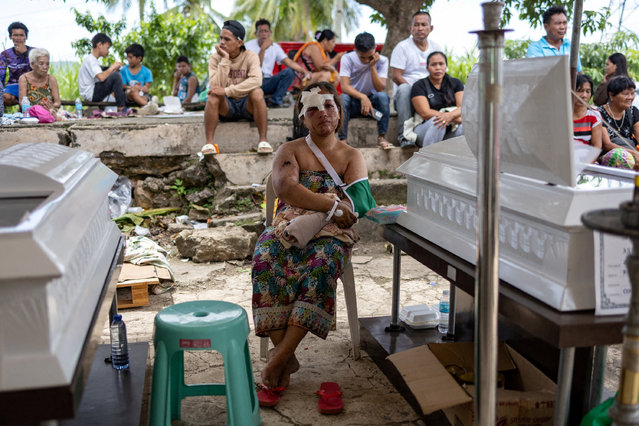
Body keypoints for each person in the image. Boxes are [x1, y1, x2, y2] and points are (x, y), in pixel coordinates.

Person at [251, 82, 375, 405]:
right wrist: (332, 204)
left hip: (333, 234)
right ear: (302, 117)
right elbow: (285, 189)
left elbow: (360, 201)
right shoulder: (289, 151)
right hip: (288, 228)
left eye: (329, 106)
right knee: (265, 256)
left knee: (322, 266)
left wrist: (335, 211)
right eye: (314, 108)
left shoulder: (351, 156)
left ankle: (280, 359)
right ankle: (286, 356)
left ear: (340, 114)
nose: (323, 113)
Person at [204, 20, 270, 155]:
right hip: (226, 106)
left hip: (247, 105)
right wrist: (225, 59)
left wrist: (228, 90)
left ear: (239, 43)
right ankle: (209, 143)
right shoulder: (215, 58)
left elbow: (257, 80)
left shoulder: (250, 56)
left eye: (227, 39)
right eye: (221, 38)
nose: (222, 42)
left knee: (257, 92)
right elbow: (216, 86)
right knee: (213, 96)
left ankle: (263, 140)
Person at [390, 11, 442, 147]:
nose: (419, 28)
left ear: (431, 28)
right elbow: (396, 76)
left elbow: (440, 72)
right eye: (416, 25)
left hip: (430, 94)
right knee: (404, 88)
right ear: (410, 28)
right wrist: (417, 92)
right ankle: (404, 137)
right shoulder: (402, 47)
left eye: (424, 25)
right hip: (407, 96)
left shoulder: (436, 47)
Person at [337, 32, 391, 149]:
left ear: (375, 48)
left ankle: (381, 137)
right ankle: (343, 140)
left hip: (372, 109)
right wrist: (363, 97)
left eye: (369, 56)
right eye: (363, 57)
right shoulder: (347, 58)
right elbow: (344, 87)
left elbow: (380, 88)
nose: (366, 60)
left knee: (382, 97)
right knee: (343, 98)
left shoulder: (382, 61)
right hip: (353, 105)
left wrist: (372, 67)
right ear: (355, 50)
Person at [245, 19, 311, 108]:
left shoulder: (275, 47)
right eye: (261, 31)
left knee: (289, 72)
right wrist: (263, 48)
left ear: (270, 33)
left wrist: (304, 71)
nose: (263, 34)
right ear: (255, 33)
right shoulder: (248, 46)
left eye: (266, 31)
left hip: (268, 82)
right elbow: (257, 66)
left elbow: (289, 62)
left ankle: (274, 101)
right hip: (253, 81)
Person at [409, 51, 464, 147]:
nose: (438, 67)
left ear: (446, 66)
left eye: (441, 64)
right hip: (424, 130)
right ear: (427, 67)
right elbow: (425, 113)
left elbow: (463, 108)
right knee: (438, 121)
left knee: (465, 127)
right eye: (433, 64)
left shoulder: (456, 83)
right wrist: (449, 117)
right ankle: (429, 160)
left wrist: (450, 116)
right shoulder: (419, 85)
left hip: (449, 131)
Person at [526, 5, 582, 72]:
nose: (562, 27)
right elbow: (539, 74)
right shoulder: (536, 48)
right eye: (558, 23)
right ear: (546, 27)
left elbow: (578, 72)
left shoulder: (570, 45)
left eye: (564, 23)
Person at [78, 33, 126, 111]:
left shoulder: (92, 60)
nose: (108, 51)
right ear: (99, 45)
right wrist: (112, 67)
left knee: (117, 77)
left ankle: (121, 106)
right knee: (116, 76)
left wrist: (113, 69)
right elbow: (101, 78)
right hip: (91, 94)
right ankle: (121, 108)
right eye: (107, 48)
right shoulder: (91, 60)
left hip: (92, 93)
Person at [597, 75, 639, 164]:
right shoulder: (599, 113)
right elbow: (606, 144)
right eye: (626, 94)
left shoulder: (633, 111)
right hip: (610, 157)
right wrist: (632, 153)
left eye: (632, 93)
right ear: (611, 95)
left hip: (632, 156)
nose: (630, 97)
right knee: (619, 157)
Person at [17, 48, 60, 116]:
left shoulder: (51, 79)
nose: (45, 67)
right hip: (30, 115)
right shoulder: (24, 79)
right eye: (41, 64)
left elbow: (57, 103)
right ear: (32, 64)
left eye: (47, 64)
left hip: (49, 114)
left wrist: (49, 107)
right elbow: (22, 103)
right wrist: (38, 109)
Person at [0, 22, 33, 107]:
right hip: (13, 86)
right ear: (10, 37)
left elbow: (40, 70)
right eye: (15, 35)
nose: (18, 38)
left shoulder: (34, 52)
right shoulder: (5, 54)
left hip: (32, 85)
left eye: (21, 35)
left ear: (26, 37)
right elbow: (1, 75)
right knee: (4, 97)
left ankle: (24, 107)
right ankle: (22, 105)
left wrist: (25, 53)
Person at [572, 74, 603, 159]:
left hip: (586, 161)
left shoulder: (594, 115)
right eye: (580, 90)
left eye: (588, 91)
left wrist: (583, 166)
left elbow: (596, 146)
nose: (584, 95)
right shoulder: (562, 114)